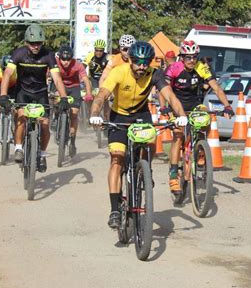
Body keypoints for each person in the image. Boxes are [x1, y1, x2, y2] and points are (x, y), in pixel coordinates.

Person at [89, 41, 187, 229]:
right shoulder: (119, 71)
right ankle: (115, 210)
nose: (142, 67)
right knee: (117, 159)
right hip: (119, 117)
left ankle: (145, 170)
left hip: (142, 116)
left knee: (151, 138)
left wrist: (181, 116)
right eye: (138, 62)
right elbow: (101, 95)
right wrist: (95, 114)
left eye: (146, 63)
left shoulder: (154, 74)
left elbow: (171, 96)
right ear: (131, 61)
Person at [161, 40, 234, 200]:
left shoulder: (202, 68)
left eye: (194, 57)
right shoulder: (174, 68)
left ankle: (201, 150)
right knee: (178, 136)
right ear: (181, 57)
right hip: (176, 106)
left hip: (194, 105)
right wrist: (163, 106)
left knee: (206, 117)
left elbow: (216, 88)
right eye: (188, 57)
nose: (191, 60)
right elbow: (163, 89)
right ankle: (173, 174)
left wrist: (227, 106)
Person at [0, 24, 69, 173]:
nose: (36, 46)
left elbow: (57, 79)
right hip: (22, 92)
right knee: (22, 117)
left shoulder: (48, 56)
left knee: (44, 124)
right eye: (32, 43)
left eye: (39, 43)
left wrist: (63, 98)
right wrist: (3, 96)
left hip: (40, 93)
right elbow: (7, 75)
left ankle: (42, 154)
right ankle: (18, 148)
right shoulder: (19, 53)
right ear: (26, 43)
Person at [56, 45, 92, 156]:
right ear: (59, 58)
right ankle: (56, 118)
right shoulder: (55, 63)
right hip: (60, 86)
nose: (66, 62)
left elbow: (86, 80)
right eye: (63, 59)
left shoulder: (77, 65)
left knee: (74, 113)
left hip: (74, 88)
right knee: (54, 100)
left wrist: (89, 94)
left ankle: (72, 140)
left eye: (68, 59)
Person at [97, 34, 136, 121]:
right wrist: (103, 94)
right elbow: (103, 78)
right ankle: (107, 119)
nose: (128, 52)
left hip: (133, 89)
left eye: (131, 49)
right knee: (108, 103)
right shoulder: (114, 60)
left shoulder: (137, 59)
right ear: (120, 49)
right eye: (125, 49)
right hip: (117, 88)